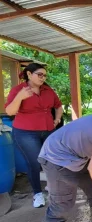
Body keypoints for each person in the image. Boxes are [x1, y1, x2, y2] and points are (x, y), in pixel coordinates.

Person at [5, 63, 63, 208]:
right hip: (26, 133)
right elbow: (10, 112)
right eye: (39, 74)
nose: (43, 78)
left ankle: (54, 189)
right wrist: (20, 97)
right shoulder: (18, 90)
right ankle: (37, 194)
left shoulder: (48, 90)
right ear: (29, 74)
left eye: (44, 75)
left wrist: (57, 119)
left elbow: (58, 106)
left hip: (48, 130)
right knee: (34, 163)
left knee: (52, 160)